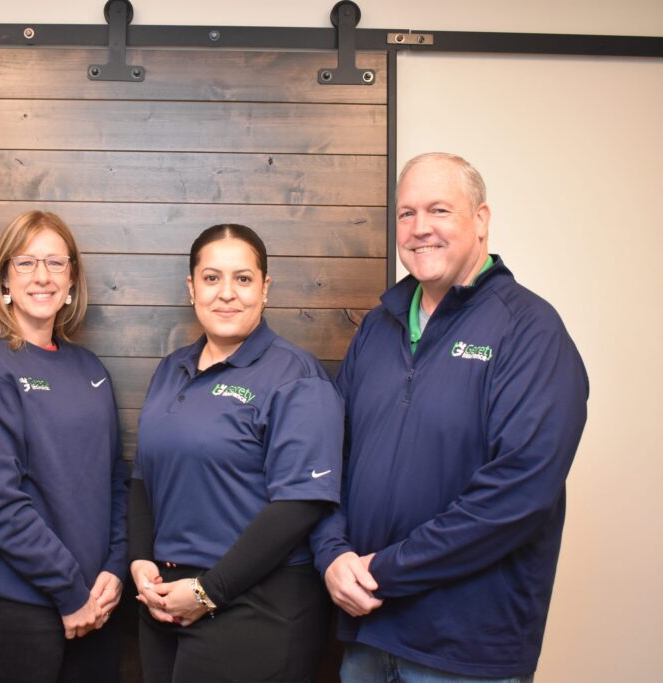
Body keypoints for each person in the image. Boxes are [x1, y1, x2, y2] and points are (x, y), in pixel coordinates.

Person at [314, 153, 589, 682]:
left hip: (465, 652)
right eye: (406, 214)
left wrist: (383, 570)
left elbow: (516, 496)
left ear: (481, 220)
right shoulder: (378, 327)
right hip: (368, 635)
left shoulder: (530, 332)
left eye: (439, 210)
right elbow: (329, 455)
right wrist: (332, 554)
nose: (420, 230)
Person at [128, 224, 344, 683]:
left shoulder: (295, 376)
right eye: (211, 278)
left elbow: (301, 504)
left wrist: (208, 592)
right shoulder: (171, 369)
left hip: (256, 607)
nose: (226, 293)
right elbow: (144, 480)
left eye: (243, 279)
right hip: (164, 602)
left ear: (265, 289)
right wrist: (140, 560)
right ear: (192, 288)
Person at [0, 210, 128, 683]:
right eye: (25, 263)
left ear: (72, 280)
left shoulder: (91, 370)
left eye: (55, 264)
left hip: (98, 604)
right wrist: (70, 592)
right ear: (4, 279)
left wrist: (114, 568)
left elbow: (115, 482)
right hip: (22, 610)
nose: (41, 276)